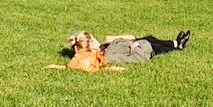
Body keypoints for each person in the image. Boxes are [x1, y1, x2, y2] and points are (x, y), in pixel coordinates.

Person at [49, 30, 192, 71]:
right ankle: (177, 47)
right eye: (93, 39)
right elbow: (126, 58)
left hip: (134, 43)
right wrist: (136, 47)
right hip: (141, 50)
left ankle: (175, 43)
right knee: (156, 46)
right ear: (91, 47)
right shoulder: (106, 55)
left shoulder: (102, 48)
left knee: (151, 38)